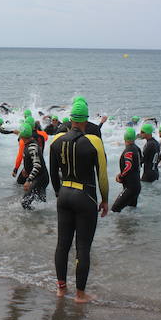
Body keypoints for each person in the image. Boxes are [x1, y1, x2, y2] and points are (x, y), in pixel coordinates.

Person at [48, 99, 109, 303]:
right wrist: (105, 199)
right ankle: (80, 295)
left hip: (64, 194)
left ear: (71, 119)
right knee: (82, 247)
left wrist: (58, 193)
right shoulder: (94, 142)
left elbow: (52, 174)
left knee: (62, 245)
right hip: (86, 197)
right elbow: (102, 175)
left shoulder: (56, 142)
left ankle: (61, 289)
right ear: (86, 120)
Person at [111, 127, 142, 213]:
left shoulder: (129, 150)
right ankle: (131, 226)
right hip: (136, 185)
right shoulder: (136, 148)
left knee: (114, 210)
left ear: (124, 138)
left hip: (130, 188)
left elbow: (129, 166)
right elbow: (138, 163)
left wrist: (120, 176)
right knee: (132, 211)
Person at [19, 123, 49, 209]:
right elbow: (31, 160)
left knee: (25, 202)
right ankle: (41, 220)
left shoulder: (32, 147)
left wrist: (28, 180)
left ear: (23, 136)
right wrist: (26, 169)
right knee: (41, 203)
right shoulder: (28, 144)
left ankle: (33, 221)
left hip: (40, 178)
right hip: (40, 177)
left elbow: (37, 165)